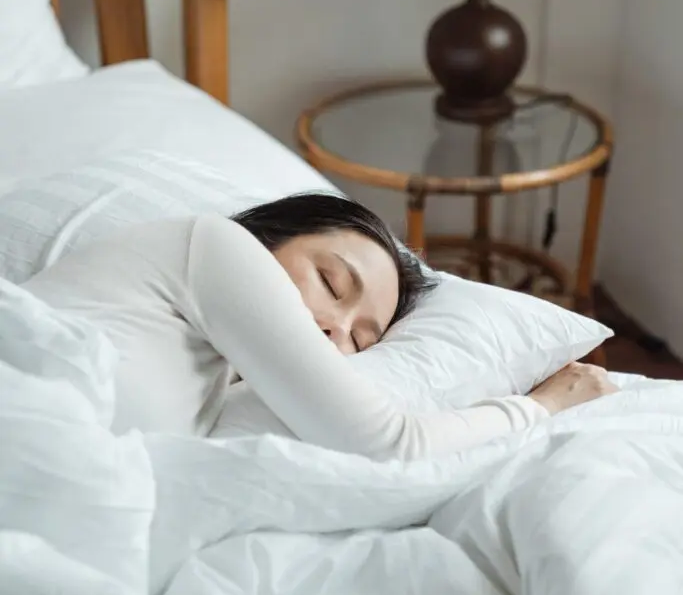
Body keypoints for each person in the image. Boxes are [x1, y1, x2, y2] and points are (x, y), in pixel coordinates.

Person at [22, 192, 617, 460]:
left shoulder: (217, 375)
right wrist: (539, 406)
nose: (335, 331)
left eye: (361, 340)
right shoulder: (213, 245)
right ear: (267, 236)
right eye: (332, 284)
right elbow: (391, 443)